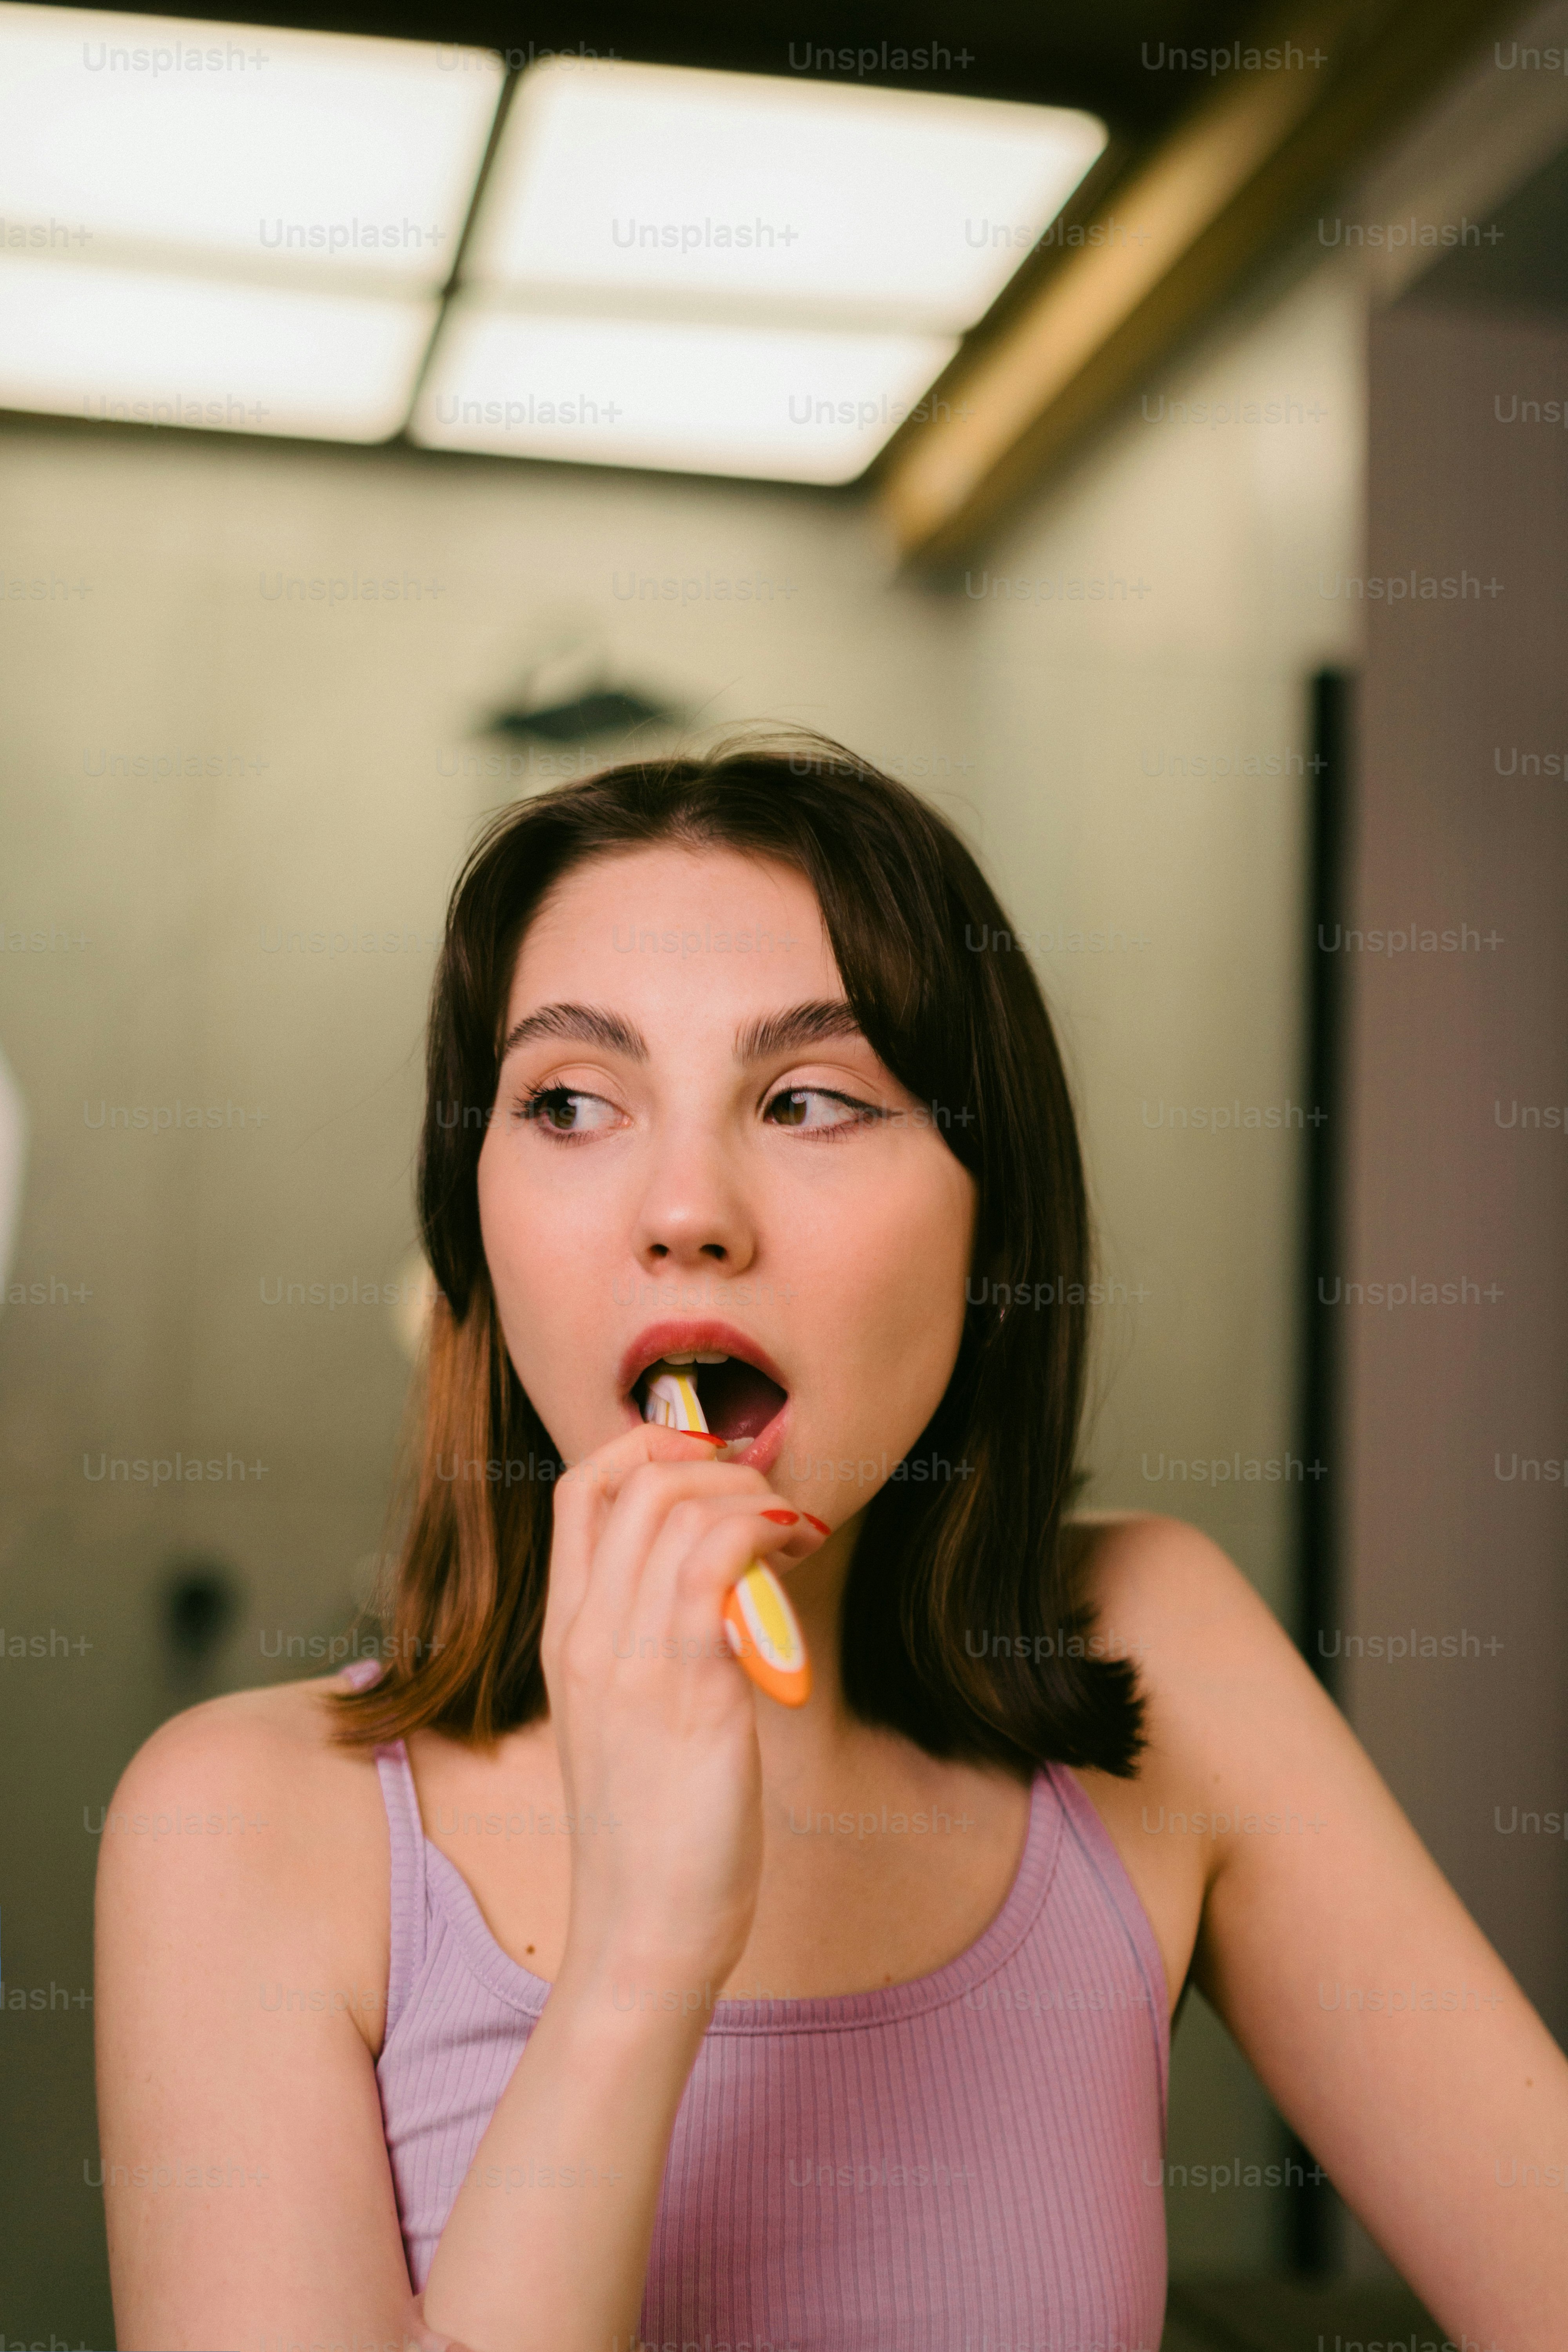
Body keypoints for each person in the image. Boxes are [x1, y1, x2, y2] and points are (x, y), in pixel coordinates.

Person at [95, 739, 1568, 2352]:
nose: (683, 1209)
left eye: (804, 1098)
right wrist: (641, 1947)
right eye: (571, 1101)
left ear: (991, 1225)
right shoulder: (237, 1829)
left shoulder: (1151, 1650)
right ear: (475, 1233)